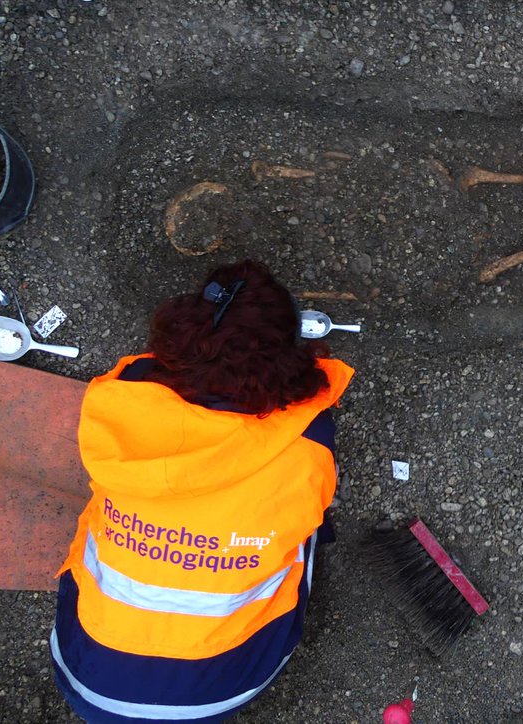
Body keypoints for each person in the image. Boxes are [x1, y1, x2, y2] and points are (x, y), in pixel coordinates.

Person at [50, 260, 354, 723]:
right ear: (289, 356)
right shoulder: (308, 440)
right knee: (301, 530)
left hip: (85, 679)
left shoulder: (119, 403)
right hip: (216, 694)